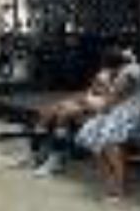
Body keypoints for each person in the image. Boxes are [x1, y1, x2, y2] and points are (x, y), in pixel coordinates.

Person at [32, 46, 126, 177]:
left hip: (100, 107)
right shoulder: (103, 74)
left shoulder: (123, 78)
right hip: (89, 101)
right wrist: (75, 99)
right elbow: (91, 91)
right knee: (47, 112)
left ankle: (56, 160)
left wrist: (89, 101)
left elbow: (110, 100)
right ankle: (38, 155)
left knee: (63, 115)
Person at [76, 50, 140, 200]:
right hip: (118, 113)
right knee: (91, 134)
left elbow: (112, 100)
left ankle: (120, 186)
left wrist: (93, 103)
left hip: (131, 116)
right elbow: (110, 99)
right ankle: (110, 180)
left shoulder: (130, 73)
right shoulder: (125, 72)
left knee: (108, 141)